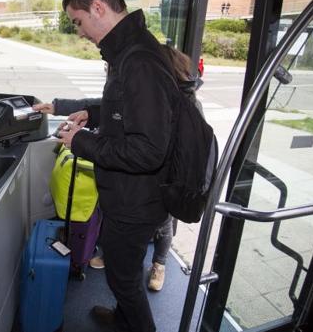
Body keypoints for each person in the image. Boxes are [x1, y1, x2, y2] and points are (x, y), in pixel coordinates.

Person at [56, 0, 178, 332]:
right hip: (127, 195)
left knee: (124, 280)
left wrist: (81, 142)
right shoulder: (129, 52)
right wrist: (93, 112)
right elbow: (129, 110)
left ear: (97, 8)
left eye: (78, 22)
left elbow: (148, 150)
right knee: (122, 274)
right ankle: (123, 320)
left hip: (136, 201)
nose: (79, 32)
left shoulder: (138, 60)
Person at [33, 45, 204, 292]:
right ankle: (117, 272)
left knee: (151, 241)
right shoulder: (152, 96)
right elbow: (109, 107)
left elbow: (141, 152)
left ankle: (158, 263)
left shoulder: (174, 106)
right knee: (122, 261)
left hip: (158, 190)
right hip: (136, 189)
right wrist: (59, 106)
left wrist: (81, 141)